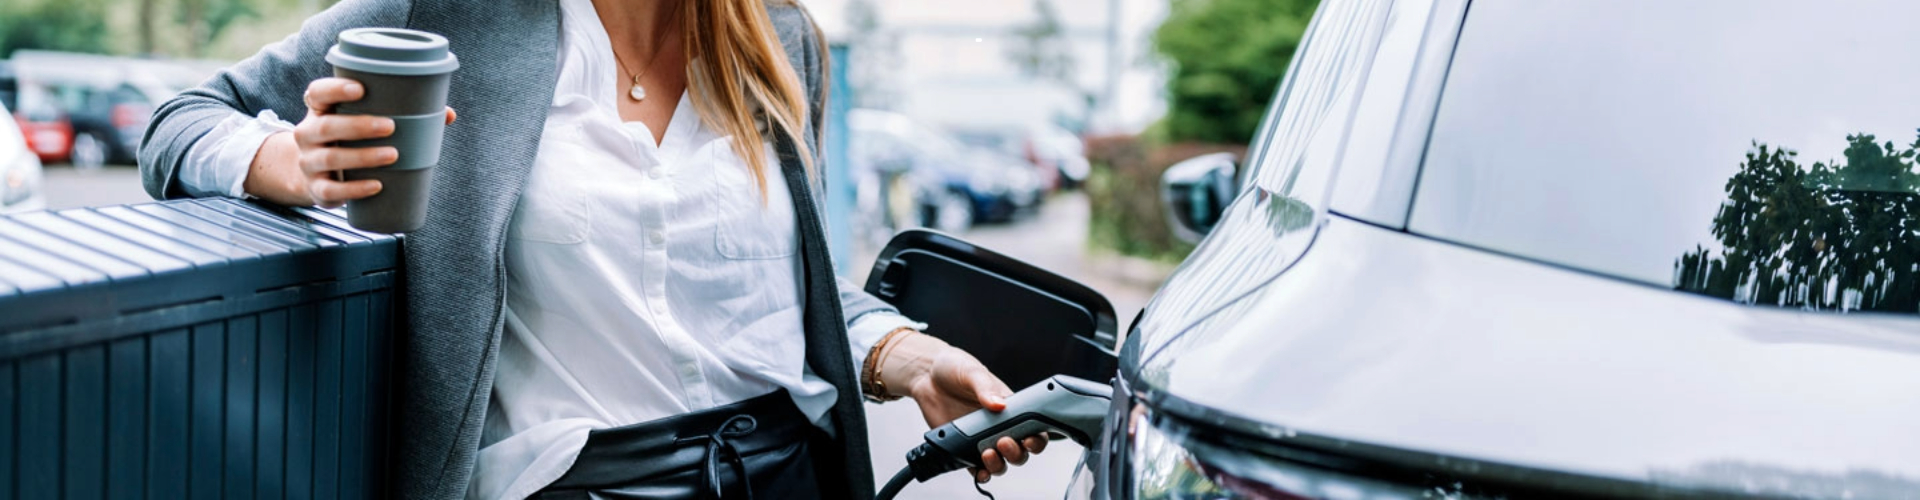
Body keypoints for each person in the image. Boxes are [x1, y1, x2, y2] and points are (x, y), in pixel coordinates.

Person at [139, 0, 1047, 498]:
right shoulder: (446, 14)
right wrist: (282, 163)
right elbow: (177, 120)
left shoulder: (782, 39)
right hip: (574, 482)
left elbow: (781, 287)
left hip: (788, 475)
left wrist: (906, 355)